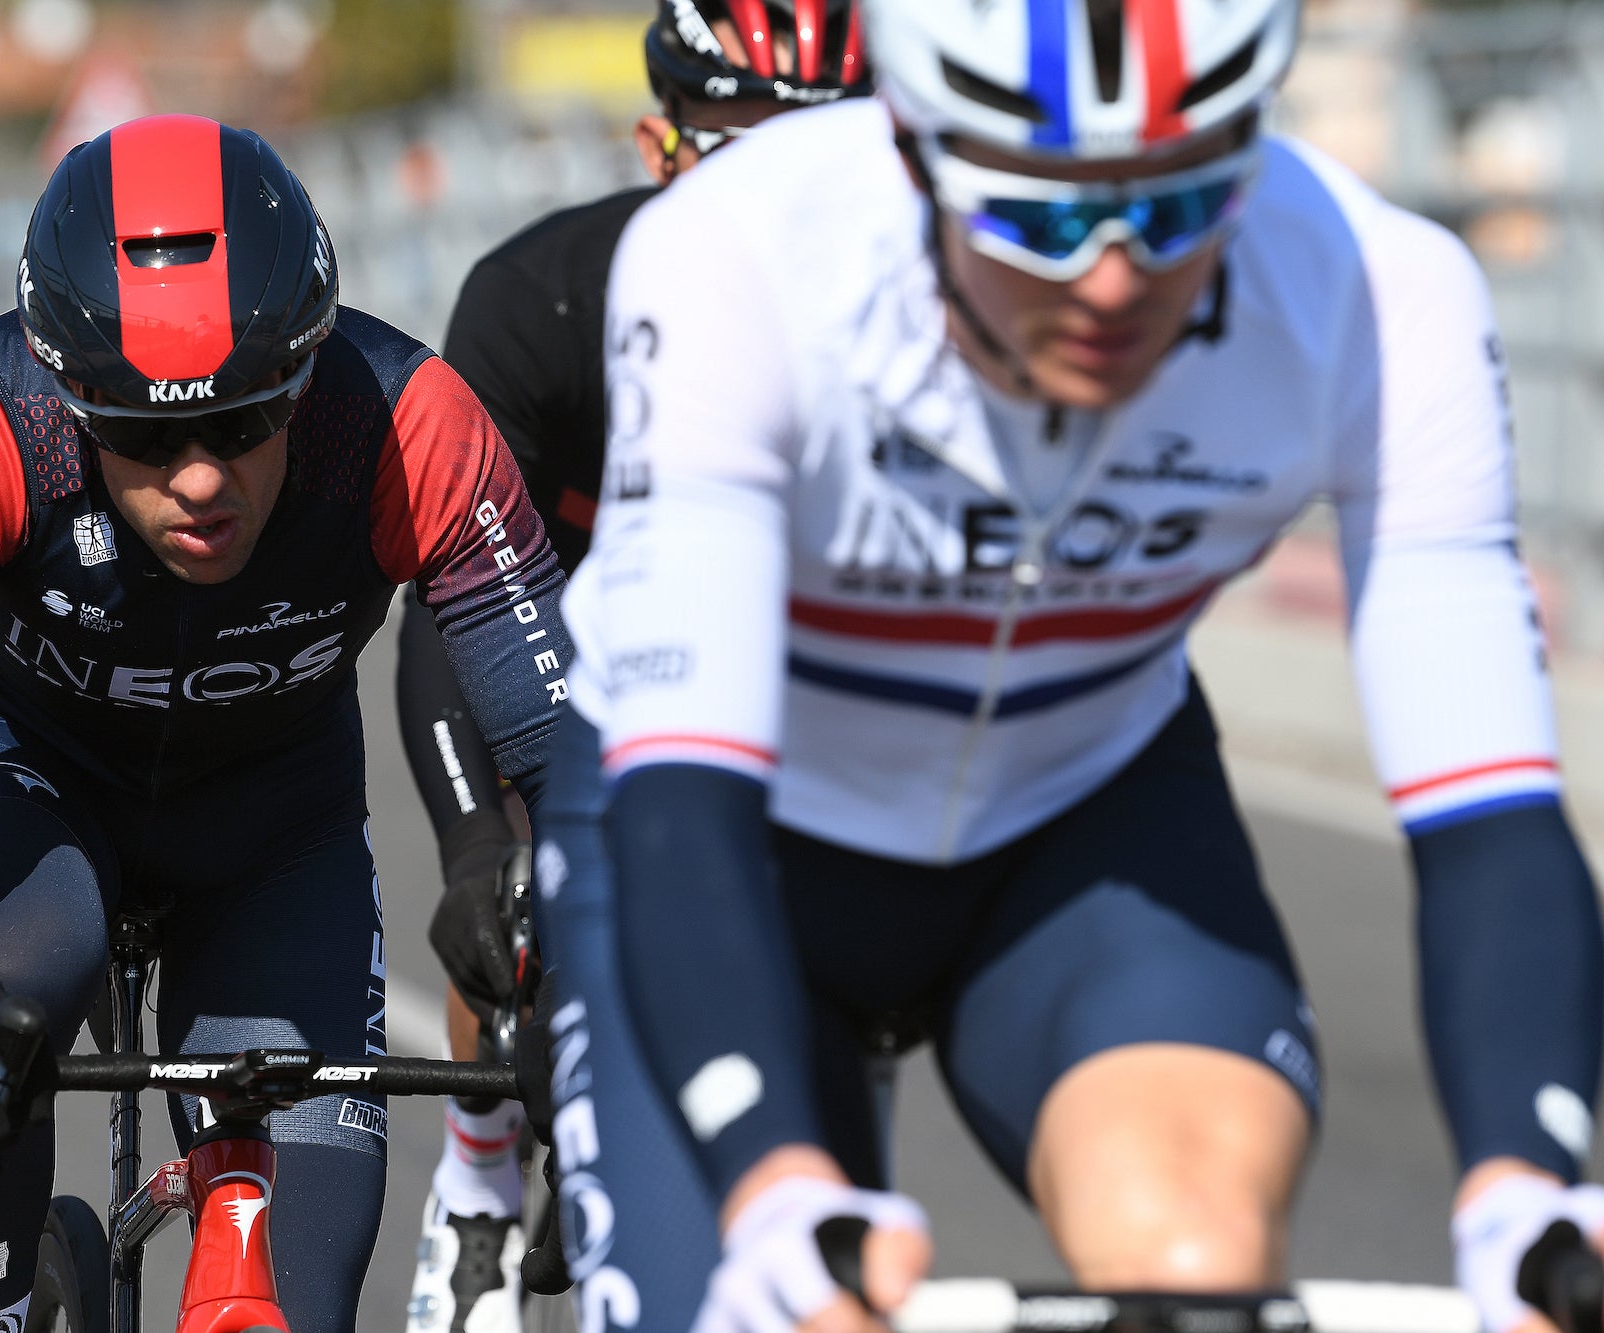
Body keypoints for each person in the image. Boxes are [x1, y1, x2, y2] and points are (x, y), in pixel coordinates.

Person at [534, 0, 1604, 1329]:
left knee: (1192, 1258)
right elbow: (689, 795)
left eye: (1177, 211)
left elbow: (1488, 798)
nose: (1110, 281)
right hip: (738, 835)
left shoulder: (1378, 290)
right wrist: (775, 1187)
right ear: (914, 155)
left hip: (1079, 820)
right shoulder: (739, 252)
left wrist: (1527, 1189)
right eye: (1036, 219)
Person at [0, 115, 571, 1333]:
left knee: (295, 1304)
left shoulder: (407, 422)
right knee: (9, 991)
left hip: (274, 830)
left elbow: (568, 758)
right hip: (38, 795)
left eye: (246, 418)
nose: (203, 476)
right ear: (68, 399)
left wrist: (582, 999)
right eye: (146, 433)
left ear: (310, 370)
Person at [395, 5, 868, 1329]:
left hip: (775, 669)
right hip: (563, 642)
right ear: (661, 146)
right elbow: (450, 603)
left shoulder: (909, 323)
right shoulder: (542, 304)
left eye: (833, 162)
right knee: (522, 888)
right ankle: (481, 1177)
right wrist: (475, 840)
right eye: (740, 159)